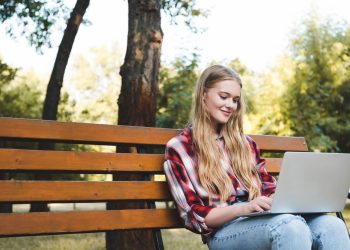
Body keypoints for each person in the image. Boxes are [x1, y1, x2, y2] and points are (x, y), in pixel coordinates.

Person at [163, 65, 350, 250]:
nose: (230, 105)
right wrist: (244, 208)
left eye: (235, 100)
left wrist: (285, 197)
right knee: (289, 227)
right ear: (204, 95)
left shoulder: (246, 144)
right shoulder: (180, 147)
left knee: (332, 226)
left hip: (263, 219)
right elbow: (195, 216)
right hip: (224, 231)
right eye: (224, 97)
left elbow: (268, 189)